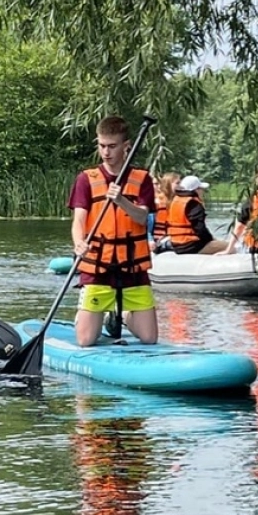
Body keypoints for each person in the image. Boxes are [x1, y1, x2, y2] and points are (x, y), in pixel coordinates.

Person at [70, 115, 158, 347]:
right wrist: (79, 242)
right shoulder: (86, 179)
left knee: (149, 338)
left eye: (112, 146)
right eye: (101, 146)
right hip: (98, 266)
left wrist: (121, 200)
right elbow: (79, 219)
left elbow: (142, 217)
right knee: (86, 341)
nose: (106, 152)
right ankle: (89, 317)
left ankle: (123, 316)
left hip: (133, 267)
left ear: (126, 146)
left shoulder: (142, 179)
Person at [158, 172, 222, 254]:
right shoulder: (193, 204)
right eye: (200, 188)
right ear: (195, 190)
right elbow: (200, 229)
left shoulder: (176, 201)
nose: (202, 191)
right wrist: (210, 240)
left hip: (176, 243)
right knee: (231, 249)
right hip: (191, 245)